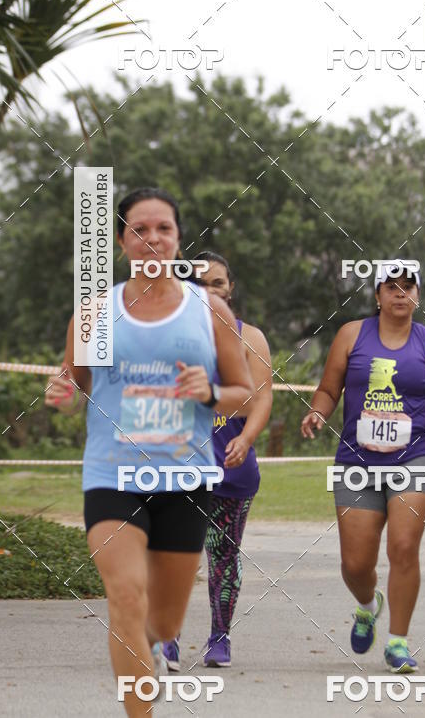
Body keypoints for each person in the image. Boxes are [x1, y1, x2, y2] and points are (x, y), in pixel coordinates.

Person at [45, 188, 253, 717]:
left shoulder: (210, 311)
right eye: (140, 229)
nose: (152, 238)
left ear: (179, 239)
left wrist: (209, 391)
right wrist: (62, 394)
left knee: (162, 621)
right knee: (125, 598)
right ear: (122, 241)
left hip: (185, 479)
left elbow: (242, 393)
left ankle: (154, 646)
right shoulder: (95, 313)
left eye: (164, 228)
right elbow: (76, 386)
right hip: (112, 475)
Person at [301, 263, 425, 674]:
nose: (400, 293)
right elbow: (328, 389)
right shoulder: (351, 335)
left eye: (408, 286)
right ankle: (367, 605)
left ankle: (397, 642)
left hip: (416, 455)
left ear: (418, 295)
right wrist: (317, 412)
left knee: (403, 547)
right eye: (391, 287)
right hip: (357, 459)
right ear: (377, 295)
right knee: (355, 565)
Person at [163, 251, 272, 671]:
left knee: (223, 556)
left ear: (230, 289)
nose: (208, 291)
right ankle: (167, 639)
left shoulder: (250, 338)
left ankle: (219, 637)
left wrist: (246, 437)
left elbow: (263, 398)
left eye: (218, 283)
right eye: (199, 283)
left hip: (230, 466)